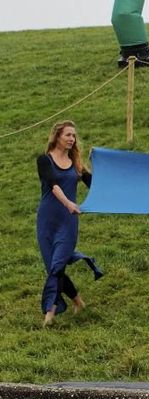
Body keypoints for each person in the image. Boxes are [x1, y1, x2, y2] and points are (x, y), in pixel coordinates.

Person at [36, 121, 103, 327]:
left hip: (68, 222)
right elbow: (53, 185)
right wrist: (68, 203)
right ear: (57, 137)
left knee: (57, 266)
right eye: (68, 135)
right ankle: (77, 301)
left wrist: (100, 162)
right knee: (54, 267)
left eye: (74, 135)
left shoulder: (76, 165)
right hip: (48, 220)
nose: (72, 139)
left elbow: (98, 185)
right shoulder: (44, 160)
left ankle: (50, 312)